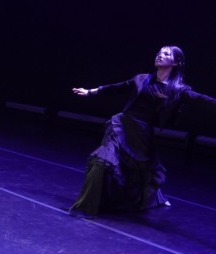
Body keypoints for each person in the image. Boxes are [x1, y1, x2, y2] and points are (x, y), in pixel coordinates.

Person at [69, 45, 216, 218]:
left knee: (142, 170)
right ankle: (86, 206)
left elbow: (201, 100)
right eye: (159, 52)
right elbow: (117, 87)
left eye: (166, 53)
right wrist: (90, 92)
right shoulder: (142, 79)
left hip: (142, 133)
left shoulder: (178, 89)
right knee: (102, 160)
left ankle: (148, 199)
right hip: (120, 126)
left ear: (176, 62)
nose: (160, 55)